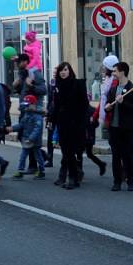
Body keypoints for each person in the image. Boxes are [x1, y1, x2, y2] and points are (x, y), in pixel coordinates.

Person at [105, 62, 133, 191]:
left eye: (115, 71)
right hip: (114, 127)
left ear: (122, 72)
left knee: (128, 155)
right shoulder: (114, 89)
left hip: (127, 128)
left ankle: (131, 181)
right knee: (116, 155)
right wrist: (108, 107)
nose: (113, 73)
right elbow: (109, 103)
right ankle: (117, 181)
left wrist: (123, 102)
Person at [51, 62, 88, 190]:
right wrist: (52, 120)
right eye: (61, 70)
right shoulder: (58, 86)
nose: (63, 72)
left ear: (69, 70)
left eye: (65, 70)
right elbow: (56, 106)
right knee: (66, 151)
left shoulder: (78, 84)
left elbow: (84, 105)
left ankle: (72, 177)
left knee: (71, 152)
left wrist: (83, 124)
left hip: (75, 123)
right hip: (63, 123)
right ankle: (71, 175)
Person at [8, 94, 46, 179]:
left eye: (28, 105)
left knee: (38, 156)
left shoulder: (37, 116)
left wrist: (31, 138)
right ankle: (20, 171)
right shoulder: (27, 114)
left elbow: (37, 129)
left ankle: (41, 171)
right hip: (26, 139)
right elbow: (21, 125)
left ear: (33, 105)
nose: (26, 107)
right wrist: (12, 129)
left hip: (34, 140)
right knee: (23, 156)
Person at [94, 55, 120, 141]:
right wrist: (94, 116)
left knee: (114, 142)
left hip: (112, 117)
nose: (103, 68)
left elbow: (109, 99)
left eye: (105, 66)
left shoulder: (115, 81)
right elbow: (102, 100)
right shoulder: (107, 80)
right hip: (107, 116)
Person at [82, 95, 107, 175]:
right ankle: (101, 164)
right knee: (88, 153)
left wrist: (90, 123)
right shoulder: (92, 109)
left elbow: (95, 124)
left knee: (83, 153)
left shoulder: (88, 110)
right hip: (89, 135)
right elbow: (96, 125)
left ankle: (79, 171)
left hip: (87, 135)